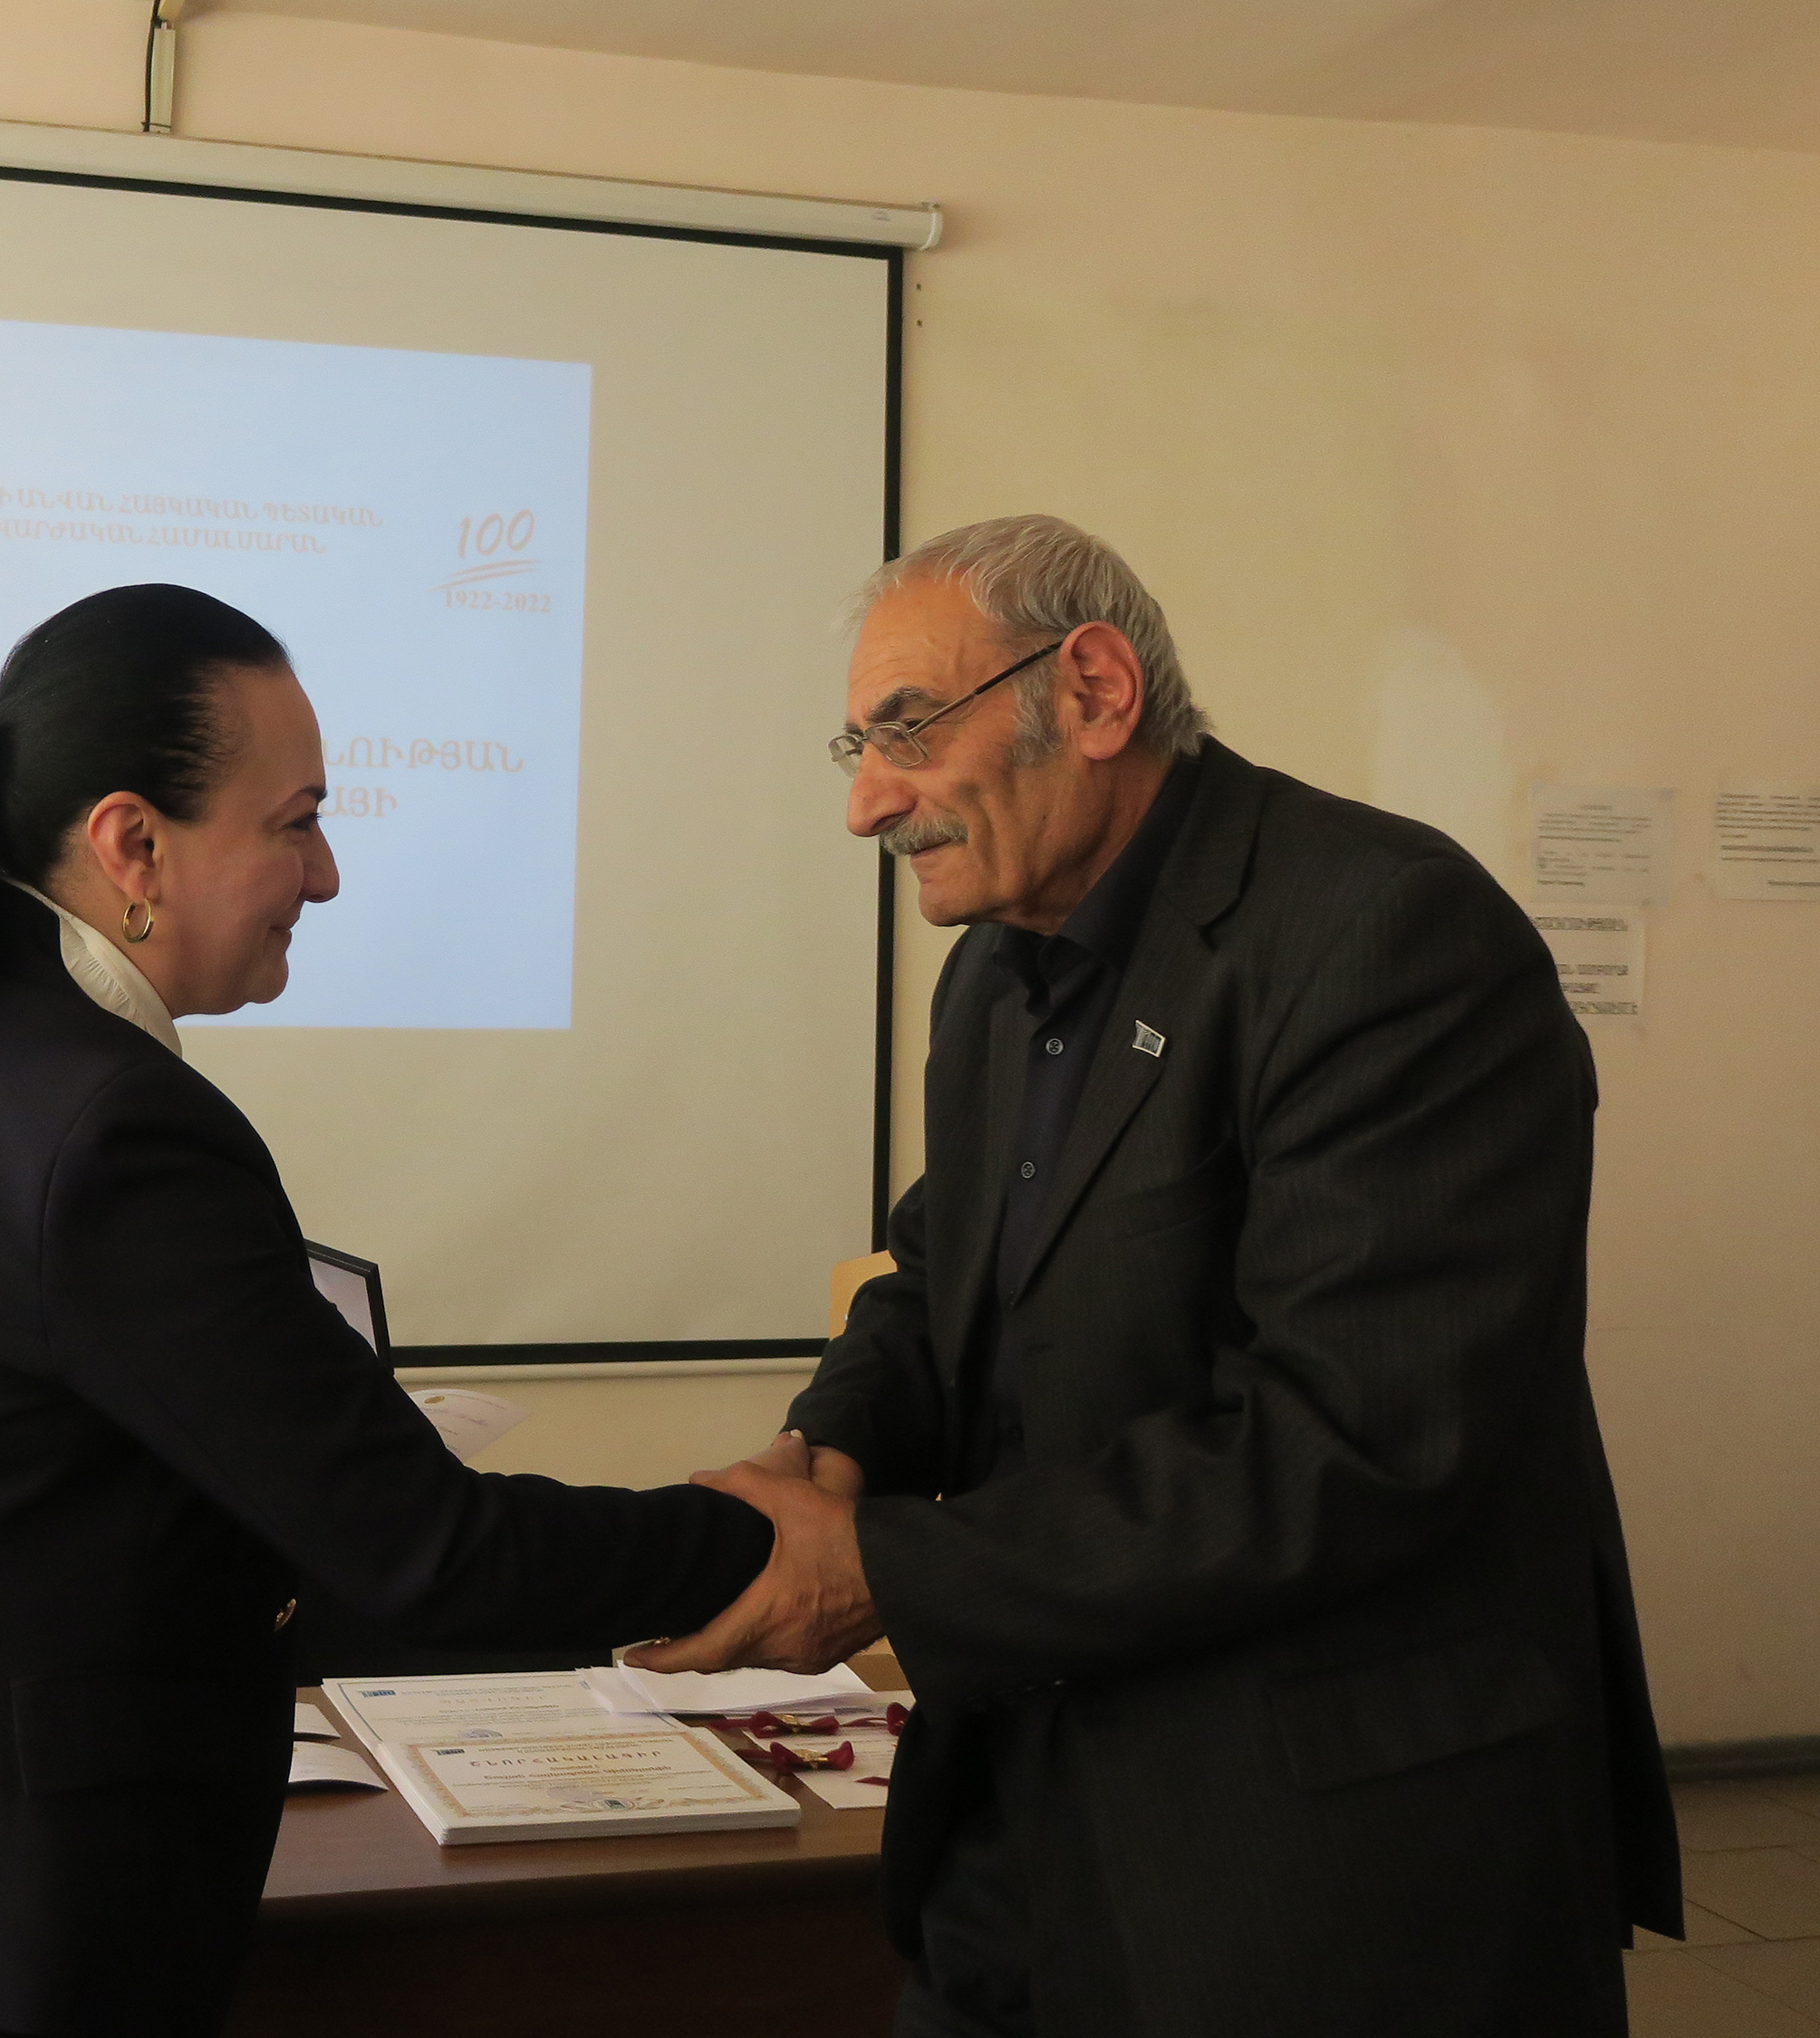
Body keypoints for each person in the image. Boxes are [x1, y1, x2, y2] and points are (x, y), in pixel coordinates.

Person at [0, 583, 778, 2038]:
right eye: (296, 822)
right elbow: (427, 1550)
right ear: (133, 843)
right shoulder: (108, 1124)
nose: (328, 875)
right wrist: (769, 1538)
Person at [631, 516, 1680, 2035]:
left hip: (1323, 1869)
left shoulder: (1388, 934)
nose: (867, 802)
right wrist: (831, 1445)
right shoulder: (996, 969)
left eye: (909, 731)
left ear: (1096, 691)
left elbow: (1355, 1441)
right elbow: (942, 1270)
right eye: (857, 747)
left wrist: (881, 1568)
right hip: (1020, 1825)